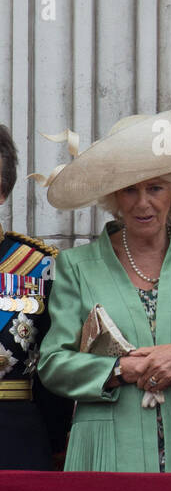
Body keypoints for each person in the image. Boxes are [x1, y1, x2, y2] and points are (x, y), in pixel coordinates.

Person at [37, 110, 171, 472]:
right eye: (130, 190)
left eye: (155, 187)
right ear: (114, 196)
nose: (143, 203)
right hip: (108, 450)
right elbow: (54, 364)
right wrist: (120, 369)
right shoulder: (78, 265)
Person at [0, 123, 70, 468]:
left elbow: (53, 373)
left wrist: (55, 446)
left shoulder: (38, 265)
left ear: (2, 190)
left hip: (14, 439)